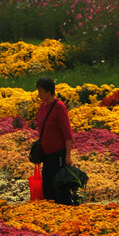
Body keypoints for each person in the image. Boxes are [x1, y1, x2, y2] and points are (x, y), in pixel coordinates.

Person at [35, 76, 75, 205]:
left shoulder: (59, 107)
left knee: (59, 185)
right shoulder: (42, 106)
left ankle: (64, 209)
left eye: (40, 91)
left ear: (48, 91)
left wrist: (68, 155)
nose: (39, 94)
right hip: (46, 154)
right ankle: (51, 210)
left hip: (58, 153)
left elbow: (67, 134)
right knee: (47, 186)